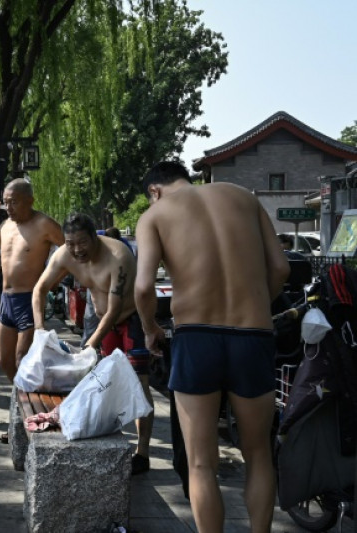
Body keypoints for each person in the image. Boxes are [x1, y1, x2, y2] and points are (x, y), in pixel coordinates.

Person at [134, 161, 289, 533]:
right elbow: (281, 269)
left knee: (201, 463)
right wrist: (255, 306)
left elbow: (142, 289)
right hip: (253, 336)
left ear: (154, 190)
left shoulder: (155, 215)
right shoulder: (243, 197)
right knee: (258, 455)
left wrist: (150, 328)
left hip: (196, 337)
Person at [31, 213, 154, 475]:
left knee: (138, 383)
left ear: (95, 237)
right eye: (70, 243)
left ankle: (142, 451)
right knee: (100, 382)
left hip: (130, 318)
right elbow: (39, 288)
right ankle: (105, 435)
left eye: (82, 243)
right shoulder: (65, 254)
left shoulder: (118, 256)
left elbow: (115, 309)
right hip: (97, 318)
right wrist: (39, 329)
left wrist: (89, 346)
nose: (77, 250)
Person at [0, 179, 65, 383]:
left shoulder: (43, 224)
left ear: (30, 201)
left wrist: (54, 280)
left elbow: (72, 250)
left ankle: (28, 403)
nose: (9, 208)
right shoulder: (6, 225)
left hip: (30, 299)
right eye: (6, 202)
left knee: (22, 358)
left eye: (14, 202)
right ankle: (23, 396)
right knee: (3, 361)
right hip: (6, 300)